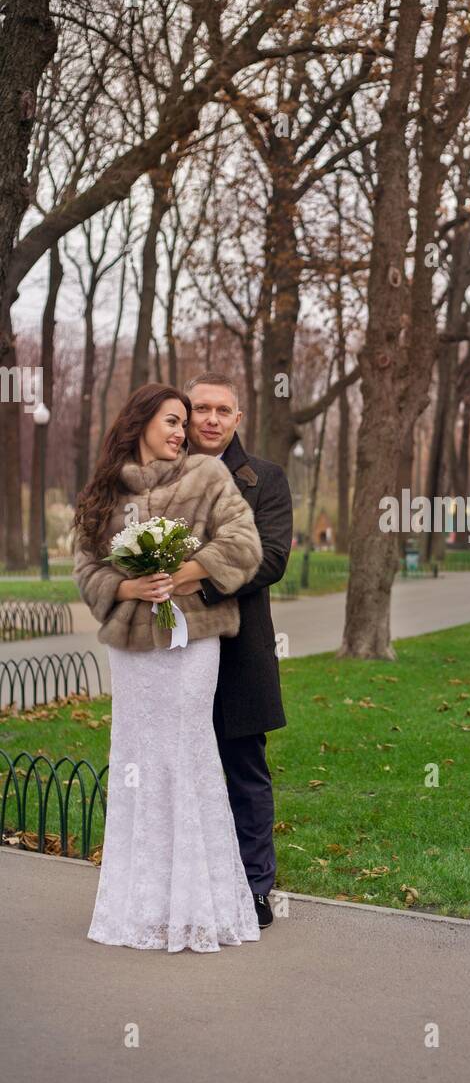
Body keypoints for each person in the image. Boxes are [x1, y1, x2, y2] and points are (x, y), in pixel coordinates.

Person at [72, 383, 264, 953]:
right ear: (139, 423)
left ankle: (199, 906)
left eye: (185, 422)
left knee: (186, 753)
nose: (182, 431)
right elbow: (84, 563)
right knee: (136, 759)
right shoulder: (105, 490)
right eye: (172, 421)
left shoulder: (207, 478)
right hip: (132, 652)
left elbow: (245, 543)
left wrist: (186, 571)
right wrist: (126, 584)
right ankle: (141, 906)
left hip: (190, 643)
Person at [182, 374, 293, 929]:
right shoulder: (159, 471)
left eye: (222, 410)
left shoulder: (264, 479)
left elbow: (271, 558)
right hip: (170, 652)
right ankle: (190, 880)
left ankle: (254, 888)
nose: (210, 418)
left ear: (237, 418)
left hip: (238, 650)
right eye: (200, 407)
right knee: (179, 766)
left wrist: (196, 581)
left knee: (244, 769)